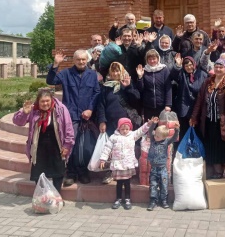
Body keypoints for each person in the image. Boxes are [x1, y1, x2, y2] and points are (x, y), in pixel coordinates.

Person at [46, 49, 100, 186]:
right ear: (73, 60)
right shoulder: (65, 74)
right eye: (78, 59)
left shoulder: (92, 75)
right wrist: (55, 65)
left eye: (83, 59)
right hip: (70, 116)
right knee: (71, 145)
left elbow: (96, 93)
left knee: (86, 146)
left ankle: (83, 172)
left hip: (87, 118)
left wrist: (90, 109)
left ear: (87, 60)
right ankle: (71, 173)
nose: (81, 62)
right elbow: (51, 80)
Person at [13, 89, 75, 194]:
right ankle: (42, 196)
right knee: (38, 172)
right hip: (39, 146)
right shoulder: (33, 110)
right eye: (42, 101)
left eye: (47, 101)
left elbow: (69, 128)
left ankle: (56, 195)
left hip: (56, 145)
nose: (45, 103)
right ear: (38, 101)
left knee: (58, 172)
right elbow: (18, 122)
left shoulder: (60, 109)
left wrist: (67, 145)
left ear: (51, 100)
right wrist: (24, 113)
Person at [190, 58, 225, 178]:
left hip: (224, 123)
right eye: (216, 66)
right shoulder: (208, 82)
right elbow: (200, 100)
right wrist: (194, 117)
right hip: (210, 121)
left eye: (221, 67)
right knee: (213, 147)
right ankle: (218, 172)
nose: (218, 69)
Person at [99, 117, 154, 210]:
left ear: (130, 129)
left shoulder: (132, 135)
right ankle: (118, 199)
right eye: (122, 129)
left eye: (127, 129)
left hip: (128, 164)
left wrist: (148, 124)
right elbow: (107, 148)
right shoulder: (114, 137)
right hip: (118, 165)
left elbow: (141, 131)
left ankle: (128, 199)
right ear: (118, 128)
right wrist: (102, 159)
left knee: (127, 183)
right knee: (119, 183)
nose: (124, 131)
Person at [147, 119, 180, 211]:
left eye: (158, 136)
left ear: (163, 137)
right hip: (154, 168)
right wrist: (154, 124)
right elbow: (150, 131)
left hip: (163, 169)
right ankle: (153, 200)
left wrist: (177, 129)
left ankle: (164, 200)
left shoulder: (166, 142)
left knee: (164, 184)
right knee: (153, 185)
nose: (155, 136)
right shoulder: (153, 140)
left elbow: (174, 138)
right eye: (155, 134)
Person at [171, 54, 207, 138]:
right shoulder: (181, 74)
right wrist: (178, 65)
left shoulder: (201, 74)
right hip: (184, 108)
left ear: (194, 64)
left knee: (196, 133)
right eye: (186, 66)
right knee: (184, 132)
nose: (189, 67)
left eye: (190, 65)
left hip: (197, 109)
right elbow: (173, 75)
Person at [136, 49, 172, 120]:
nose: (152, 61)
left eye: (154, 59)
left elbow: (168, 88)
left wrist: (168, 104)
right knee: (149, 128)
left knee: (162, 129)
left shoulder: (164, 70)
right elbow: (141, 89)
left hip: (162, 106)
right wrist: (140, 77)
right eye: (150, 59)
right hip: (148, 106)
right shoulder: (144, 70)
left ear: (158, 59)